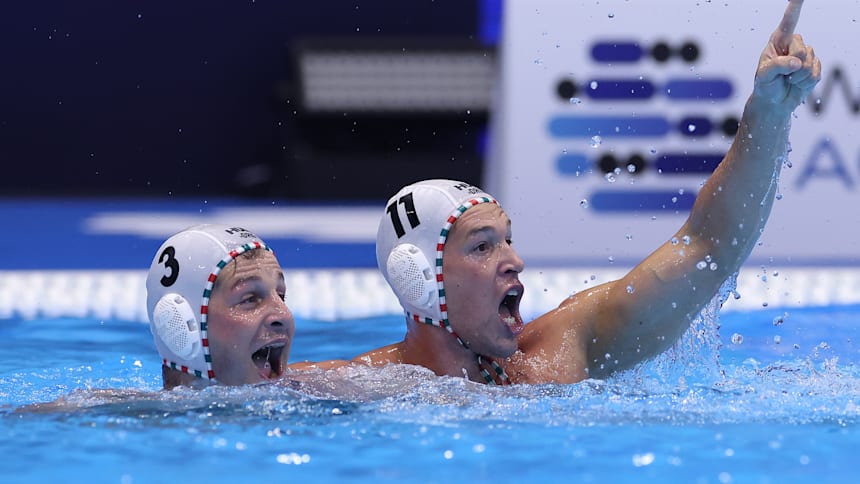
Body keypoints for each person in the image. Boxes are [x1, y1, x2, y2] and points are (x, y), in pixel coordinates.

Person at [331, 0, 821, 385]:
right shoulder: (363, 386)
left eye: (507, 240)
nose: (514, 261)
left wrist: (769, 114)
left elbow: (709, 246)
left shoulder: (563, 350)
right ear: (420, 279)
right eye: (482, 246)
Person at [146, 224, 295, 389]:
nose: (284, 315)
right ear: (182, 324)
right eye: (250, 299)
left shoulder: (314, 387)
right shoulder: (134, 411)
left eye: (281, 296)